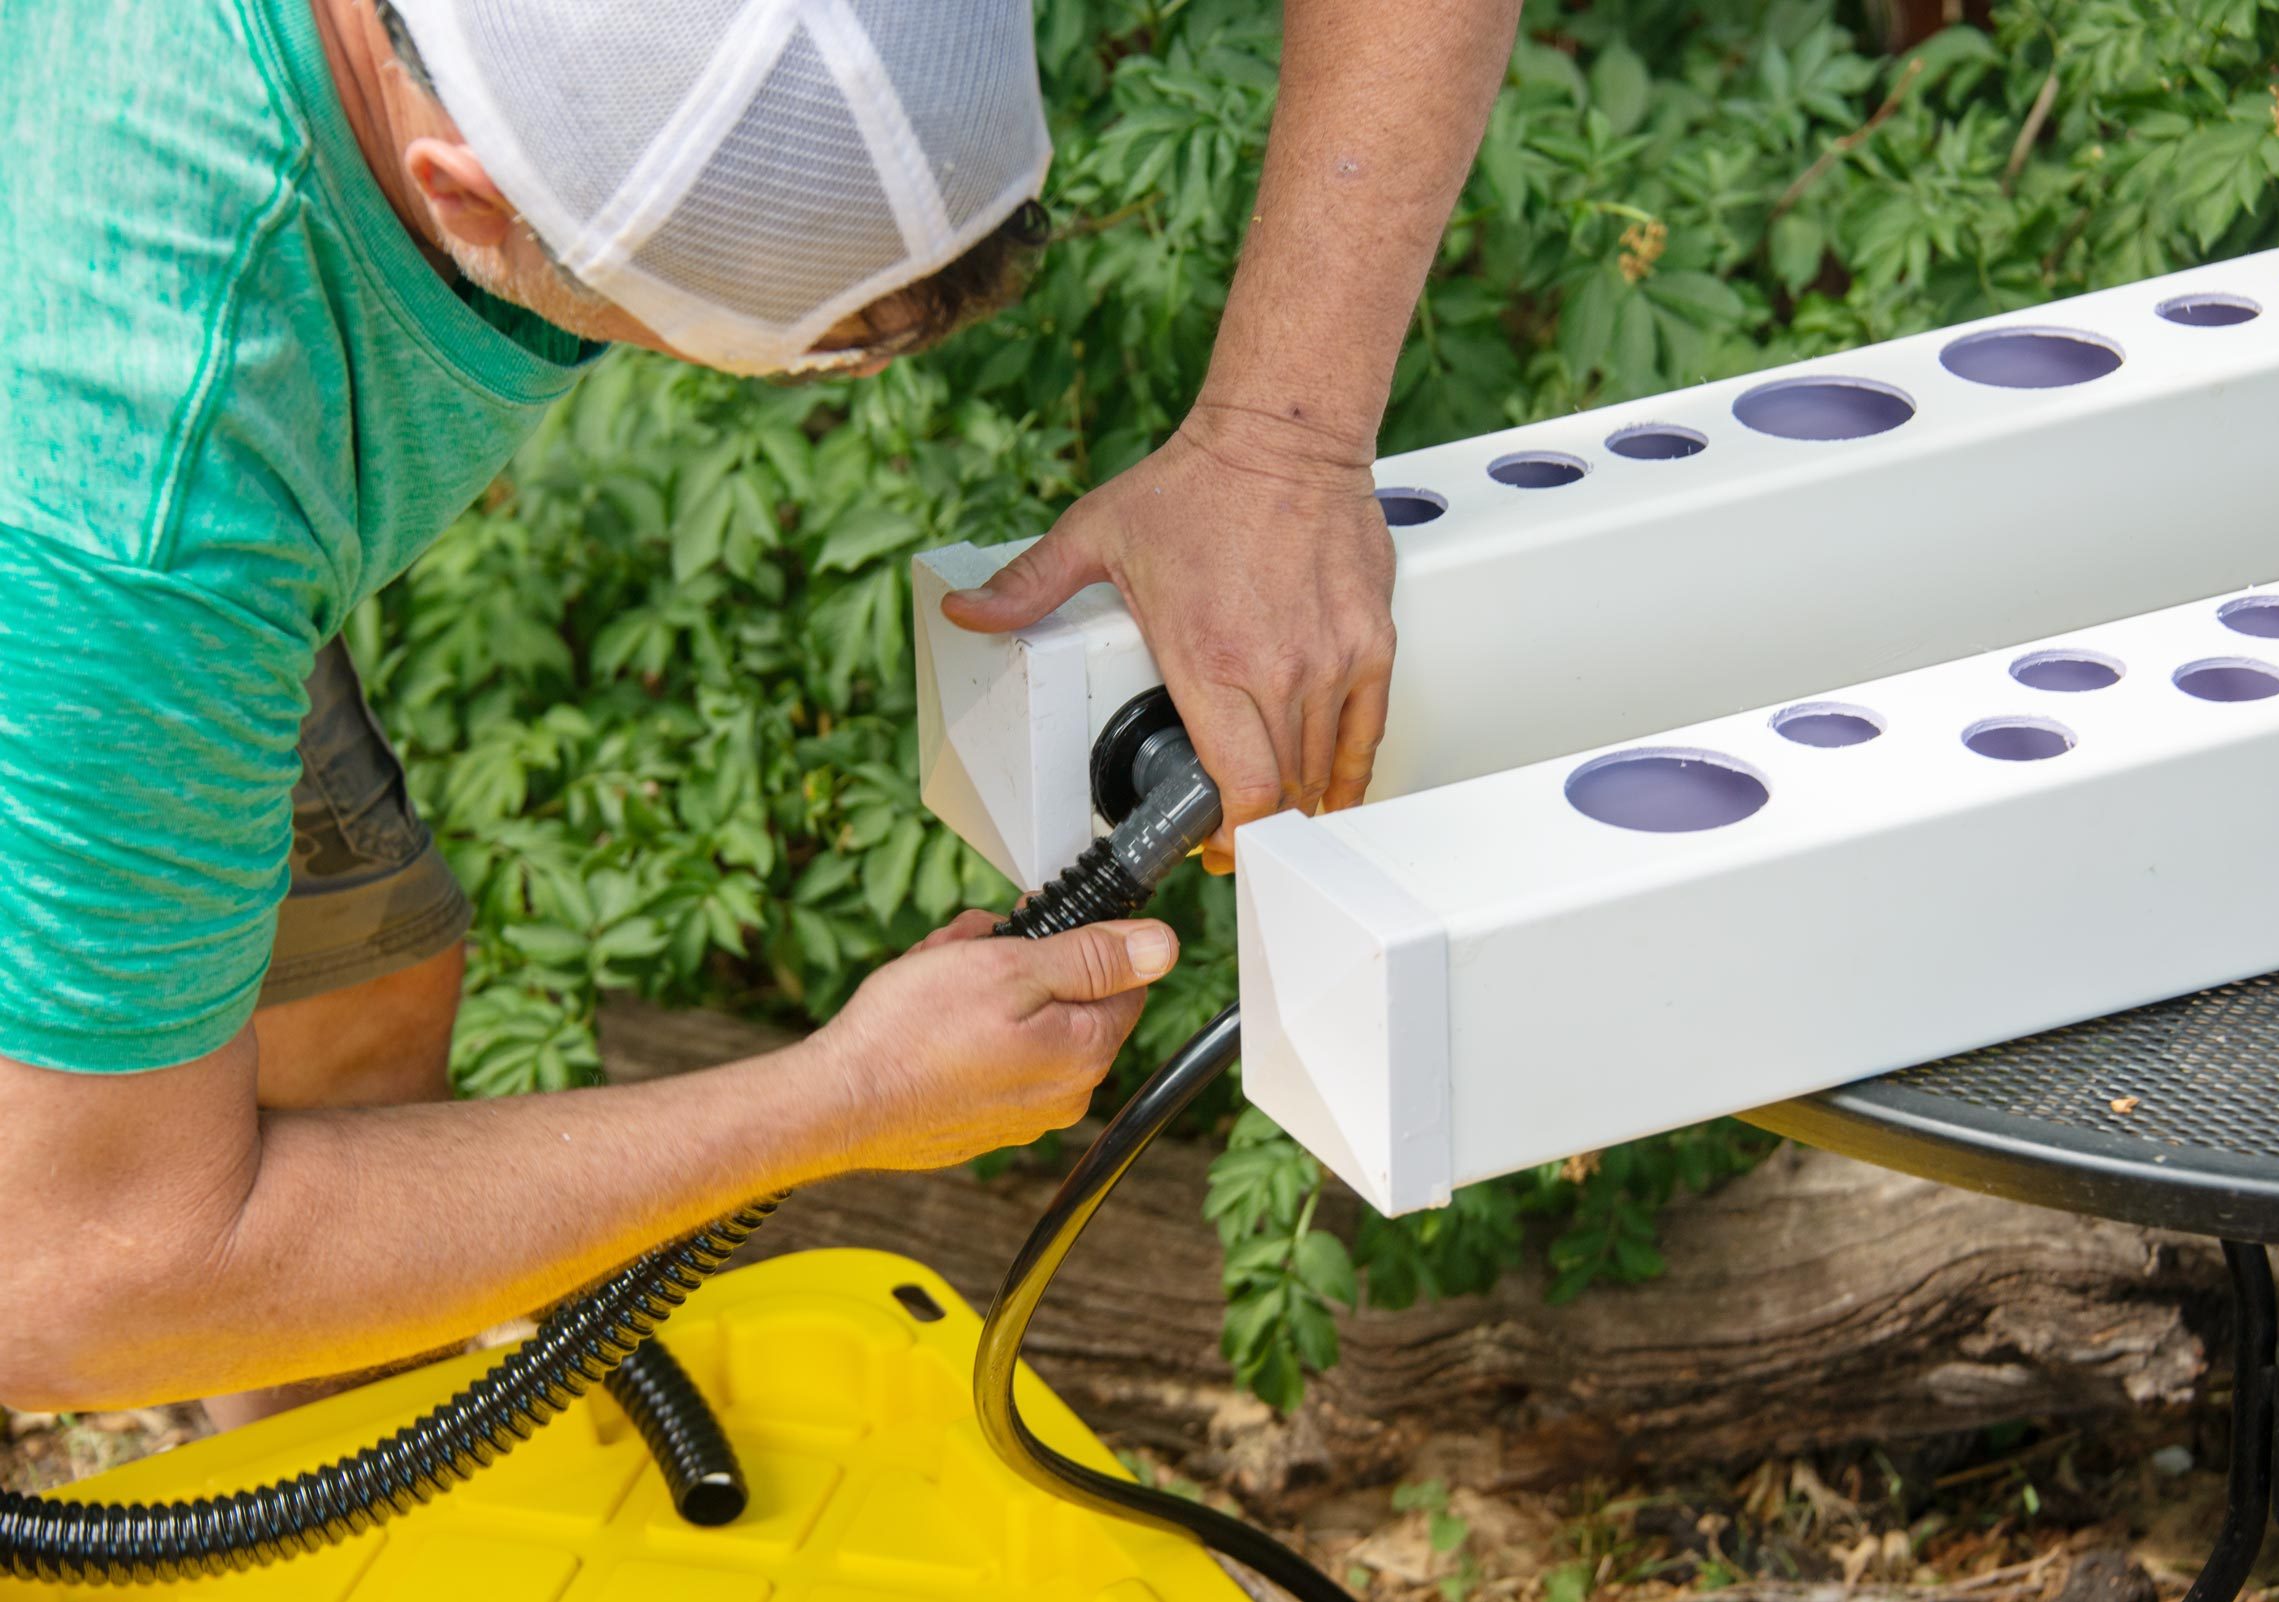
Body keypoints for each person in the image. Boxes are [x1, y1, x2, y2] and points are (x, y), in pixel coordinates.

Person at [0, 0, 1514, 1420]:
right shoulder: (133, 492)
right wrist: (837, 1099)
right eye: (810, 352)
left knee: (360, 995)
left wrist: (1278, 442)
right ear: (464, 201)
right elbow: (75, 1276)